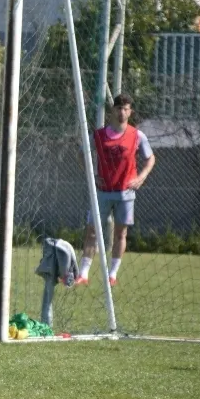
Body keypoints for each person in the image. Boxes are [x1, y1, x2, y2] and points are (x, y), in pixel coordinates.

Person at [77, 93, 155, 286]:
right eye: (119, 108)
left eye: (125, 109)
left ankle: (112, 274)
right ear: (112, 110)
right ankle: (83, 274)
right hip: (102, 193)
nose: (122, 112)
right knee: (92, 231)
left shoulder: (137, 135)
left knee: (121, 234)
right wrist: (92, 175)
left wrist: (141, 177)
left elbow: (150, 159)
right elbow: (81, 153)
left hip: (125, 194)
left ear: (130, 112)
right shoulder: (98, 135)